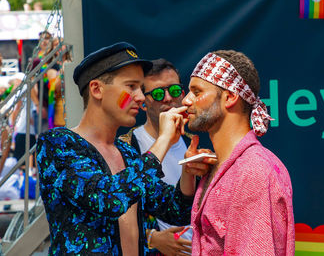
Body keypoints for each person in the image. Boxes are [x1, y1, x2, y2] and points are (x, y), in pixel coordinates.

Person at [36, 42, 205, 255]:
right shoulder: (57, 144)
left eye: (141, 88)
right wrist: (163, 141)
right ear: (97, 89)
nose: (141, 97)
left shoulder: (127, 153)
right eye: (131, 86)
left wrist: (188, 171)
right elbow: (108, 199)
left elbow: (176, 210)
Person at [182, 50, 295, 255]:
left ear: (230, 97)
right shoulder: (220, 166)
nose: (185, 101)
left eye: (197, 92)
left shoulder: (254, 170)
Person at [121, 59, 207, 255]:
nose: (168, 98)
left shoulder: (197, 140)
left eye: (175, 91)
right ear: (143, 102)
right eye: (158, 94)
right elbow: (114, 211)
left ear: (183, 95)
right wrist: (151, 238)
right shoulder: (127, 147)